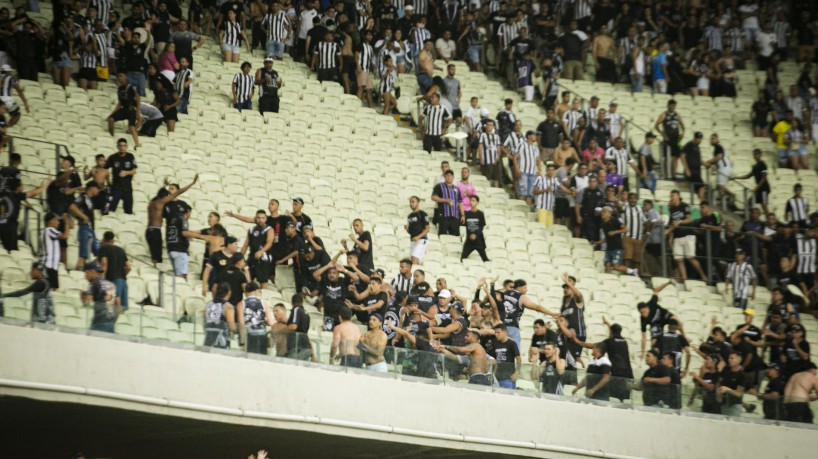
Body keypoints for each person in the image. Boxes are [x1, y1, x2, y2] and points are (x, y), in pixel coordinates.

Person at [145, 175, 197, 266]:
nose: (169, 195)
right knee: (157, 257)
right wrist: (192, 183)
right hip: (155, 231)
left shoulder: (151, 203)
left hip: (148, 230)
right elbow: (179, 192)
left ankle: (155, 267)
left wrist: (164, 186)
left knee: (154, 255)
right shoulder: (161, 202)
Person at [666, 189, 708, 283]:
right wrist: (669, 235)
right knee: (679, 259)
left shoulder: (685, 206)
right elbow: (672, 224)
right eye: (671, 196)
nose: (671, 198)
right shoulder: (671, 209)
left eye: (672, 196)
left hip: (687, 235)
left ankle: (703, 275)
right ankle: (684, 279)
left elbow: (689, 219)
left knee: (690, 258)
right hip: (677, 237)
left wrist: (680, 221)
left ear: (677, 196)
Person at [0, 177, 49, 253]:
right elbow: (33, 193)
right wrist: (45, 185)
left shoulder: (4, 194)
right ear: (18, 187)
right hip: (10, 227)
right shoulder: (17, 196)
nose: (23, 186)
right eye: (21, 185)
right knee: (12, 251)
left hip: (2, 224)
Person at [599, 206, 638, 276]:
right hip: (609, 248)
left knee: (616, 266)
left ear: (609, 213)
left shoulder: (615, 220)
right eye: (602, 212)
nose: (602, 213)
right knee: (607, 266)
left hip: (617, 247)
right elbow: (608, 237)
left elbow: (626, 229)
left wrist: (614, 232)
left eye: (604, 212)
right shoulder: (603, 224)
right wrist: (598, 242)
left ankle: (632, 271)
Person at [82, 261, 119, 333]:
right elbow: (118, 303)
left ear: (92, 271)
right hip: (110, 323)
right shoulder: (111, 284)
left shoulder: (94, 283)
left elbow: (87, 302)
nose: (85, 276)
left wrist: (82, 296)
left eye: (86, 273)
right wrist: (112, 321)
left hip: (98, 322)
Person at [237, 282, 273, 354]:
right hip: (262, 336)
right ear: (256, 291)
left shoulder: (241, 304)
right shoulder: (264, 303)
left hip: (249, 335)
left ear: (246, 292)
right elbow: (270, 322)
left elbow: (241, 323)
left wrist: (242, 340)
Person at [97, 231, 130, 311]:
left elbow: (104, 263)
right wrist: (123, 275)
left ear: (104, 239)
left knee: (112, 305)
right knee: (122, 308)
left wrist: (102, 279)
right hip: (123, 281)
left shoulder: (103, 248)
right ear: (113, 241)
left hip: (112, 280)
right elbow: (129, 267)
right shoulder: (121, 250)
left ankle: (111, 322)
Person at [107, 71, 141, 148]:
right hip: (123, 109)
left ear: (126, 77)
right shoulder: (119, 89)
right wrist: (112, 113)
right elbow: (120, 103)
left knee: (132, 127)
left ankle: (137, 144)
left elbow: (138, 97)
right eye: (118, 76)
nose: (119, 78)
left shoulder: (131, 86)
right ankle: (111, 137)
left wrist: (138, 110)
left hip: (131, 109)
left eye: (121, 76)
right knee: (111, 119)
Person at [732, 149, 770, 215]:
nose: (755, 156)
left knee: (764, 205)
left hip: (764, 188)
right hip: (758, 189)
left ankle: (769, 221)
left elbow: (763, 178)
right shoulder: (755, 166)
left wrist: (756, 188)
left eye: (757, 154)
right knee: (749, 203)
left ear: (760, 155)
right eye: (754, 154)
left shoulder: (763, 164)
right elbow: (748, 176)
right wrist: (736, 177)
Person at [654, 99, 685, 179]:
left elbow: (683, 126)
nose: (672, 107)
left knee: (676, 157)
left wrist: (682, 133)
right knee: (667, 157)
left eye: (673, 106)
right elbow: (656, 125)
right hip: (668, 139)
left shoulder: (677, 115)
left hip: (676, 138)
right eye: (671, 105)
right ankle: (667, 174)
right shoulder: (664, 114)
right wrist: (663, 134)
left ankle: (674, 175)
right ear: (668, 105)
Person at [42, 212, 71, 291]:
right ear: (50, 221)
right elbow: (65, 236)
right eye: (56, 220)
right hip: (49, 265)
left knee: (52, 289)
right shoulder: (49, 229)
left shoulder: (49, 231)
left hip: (53, 266)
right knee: (48, 288)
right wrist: (66, 223)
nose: (58, 223)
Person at [431, 169, 465, 236]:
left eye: (450, 176)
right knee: (443, 235)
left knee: (455, 237)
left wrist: (463, 215)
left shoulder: (456, 188)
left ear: (453, 177)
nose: (449, 177)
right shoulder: (439, 186)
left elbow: (460, 202)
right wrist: (445, 200)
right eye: (447, 176)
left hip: (455, 217)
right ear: (444, 177)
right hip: (443, 216)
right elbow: (433, 197)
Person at [203, 282, 236, 349]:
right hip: (221, 340)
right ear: (229, 292)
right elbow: (232, 327)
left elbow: (204, 320)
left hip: (208, 338)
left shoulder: (208, 304)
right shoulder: (228, 307)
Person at [719, 351, 748, 417]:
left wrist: (727, 389)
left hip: (734, 405)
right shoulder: (726, 369)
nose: (729, 360)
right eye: (729, 358)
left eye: (732, 358)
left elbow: (739, 393)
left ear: (739, 360)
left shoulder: (742, 375)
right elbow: (720, 381)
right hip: (724, 402)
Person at [461, 195, 488, 262]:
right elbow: (463, 224)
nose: (471, 202)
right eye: (470, 200)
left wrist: (475, 234)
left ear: (477, 202)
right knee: (463, 259)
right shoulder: (466, 214)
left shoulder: (480, 214)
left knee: (485, 259)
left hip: (479, 241)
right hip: (469, 241)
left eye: (473, 201)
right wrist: (462, 216)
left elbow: (481, 226)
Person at [405, 196, 430, 265]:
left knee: (414, 258)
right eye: (410, 202)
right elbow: (411, 231)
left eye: (413, 202)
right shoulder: (409, 216)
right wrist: (407, 229)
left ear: (418, 202)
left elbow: (427, 228)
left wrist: (418, 237)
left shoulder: (422, 214)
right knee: (414, 261)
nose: (411, 204)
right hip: (413, 240)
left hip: (421, 239)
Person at [286, 293, 312, 360]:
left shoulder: (296, 309)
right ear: (302, 302)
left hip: (297, 347)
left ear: (292, 303)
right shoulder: (306, 314)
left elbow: (293, 326)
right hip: (306, 347)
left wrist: (282, 330)